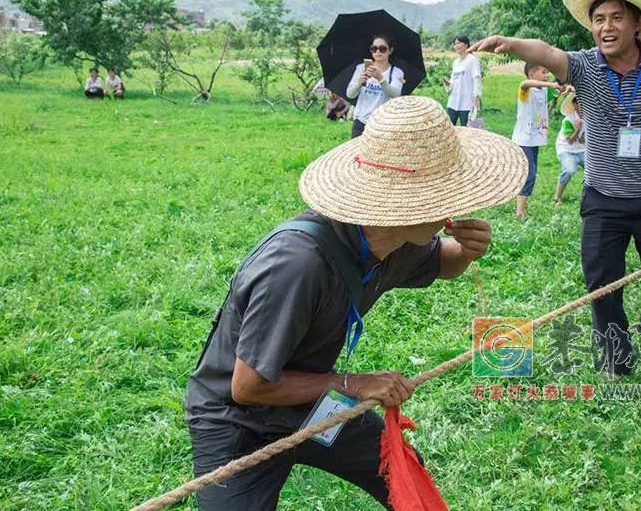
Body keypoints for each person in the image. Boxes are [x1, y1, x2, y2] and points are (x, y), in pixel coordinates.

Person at [184, 96, 527, 510]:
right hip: (237, 418)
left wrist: (467, 250)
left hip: (309, 396)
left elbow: (444, 261)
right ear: (404, 203)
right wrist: (354, 384)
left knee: (399, 471)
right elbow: (248, 385)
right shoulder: (297, 266)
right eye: (444, 193)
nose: (455, 205)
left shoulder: (397, 238)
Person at [470, 0, 641, 378]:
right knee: (602, 281)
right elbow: (547, 52)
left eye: (616, 17)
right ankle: (616, 354)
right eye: (598, 19)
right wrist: (512, 42)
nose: (606, 27)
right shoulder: (586, 65)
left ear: (638, 22)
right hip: (604, 196)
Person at [511, 63, 561, 219]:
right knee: (529, 174)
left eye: (548, 72)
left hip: (534, 140)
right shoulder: (525, 90)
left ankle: (519, 205)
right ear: (532, 74)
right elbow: (525, 83)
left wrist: (563, 89)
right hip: (523, 140)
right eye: (544, 72)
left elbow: (555, 97)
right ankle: (520, 212)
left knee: (528, 173)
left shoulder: (544, 91)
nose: (547, 75)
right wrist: (551, 84)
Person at [346, 35, 404, 138]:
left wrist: (380, 79)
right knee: (357, 154)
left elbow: (396, 95)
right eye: (374, 48)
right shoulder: (361, 68)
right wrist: (360, 82)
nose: (378, 52)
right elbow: (350, 94)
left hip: (383, 124)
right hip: (360, 122)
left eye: (382, 49)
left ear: (390, 50)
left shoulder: (396, 72)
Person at [553, 89, 586, 204]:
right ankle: (557, 197)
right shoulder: (568, 120)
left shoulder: (589, 118)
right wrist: (577, 129)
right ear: (575, 104)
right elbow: (570, 141)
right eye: (580, 102)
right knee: (569, 170)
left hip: (581, 149)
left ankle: (587, 196)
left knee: (596, 169)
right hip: (566, 149)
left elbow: (584, 140)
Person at [443, 35, 482, 126]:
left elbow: (477, 79)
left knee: (468, 130)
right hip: (453, 102)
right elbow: (453, 83)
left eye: (459, 43)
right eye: (455, 44)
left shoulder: (472, 60)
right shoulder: (455, 62)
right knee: (449, 129)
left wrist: (475, 100)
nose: (456, 46)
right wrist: (448, 83)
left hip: (467, 103)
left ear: (466, 45)